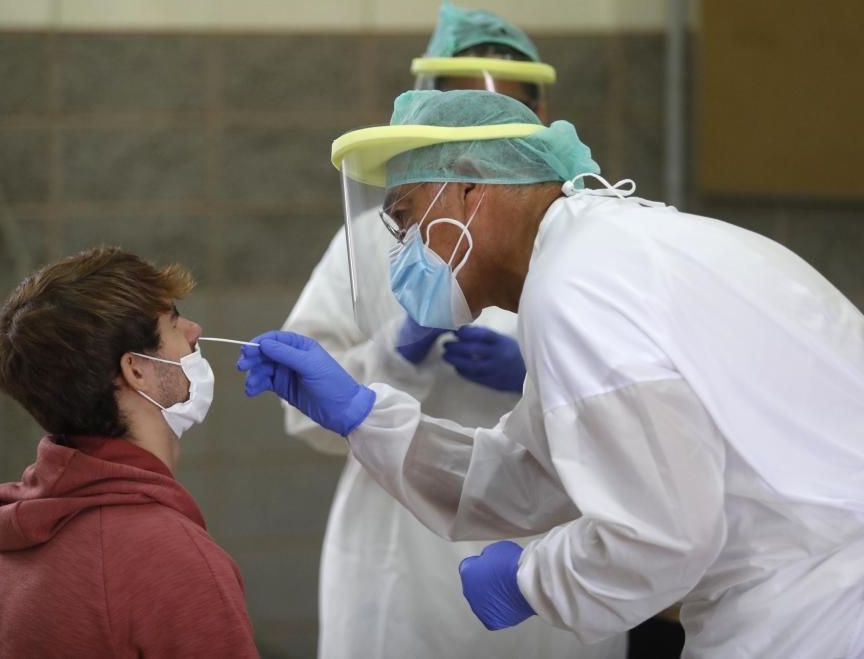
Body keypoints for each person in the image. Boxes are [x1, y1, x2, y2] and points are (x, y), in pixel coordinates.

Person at [239, 89, 864, 658]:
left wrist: (528, 581)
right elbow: (535, 476)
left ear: (469, 189)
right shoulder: (592, 254)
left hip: (819, 599)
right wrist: (365, 416)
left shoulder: (580, 283)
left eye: (405, 218)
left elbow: (664, 536)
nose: (401, 251)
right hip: (805, 577)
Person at [280, 1, 624, 659]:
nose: (481, 132)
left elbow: (645, 410)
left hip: (546, 552)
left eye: (508, 112)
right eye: (464, 109)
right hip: (403, 559)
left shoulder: (584, 237)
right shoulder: (375, 238)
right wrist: (388, 360)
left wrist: (542, 375)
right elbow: (305, 415)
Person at [0, 247, 257, 659]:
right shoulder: (171, 560)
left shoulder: (22, 532)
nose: (195, 331)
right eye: (174, 323)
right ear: (135, 370)